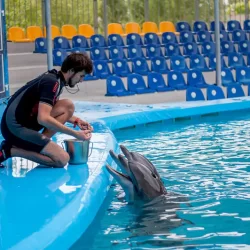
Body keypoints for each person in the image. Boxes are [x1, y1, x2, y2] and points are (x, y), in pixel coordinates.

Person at [0, 52, 93, 168]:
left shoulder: (57, 80)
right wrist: (75, 134)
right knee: (62, 159)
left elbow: (50, 110)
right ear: (72, 71)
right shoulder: (52, 82)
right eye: (81, 76)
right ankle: (10, 150)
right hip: (14, 128)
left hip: (24, 122)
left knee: (67, 106)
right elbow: (43, 118)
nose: (81, 80)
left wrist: (76, 121)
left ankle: (37, 144)